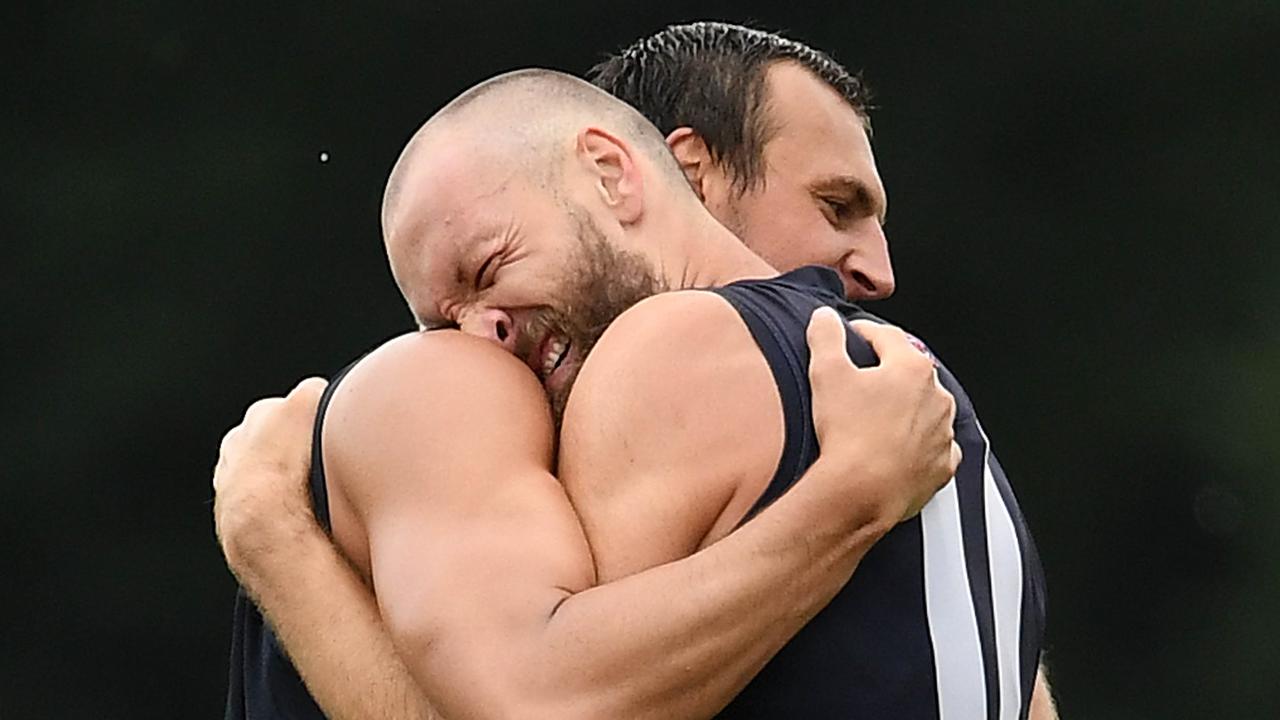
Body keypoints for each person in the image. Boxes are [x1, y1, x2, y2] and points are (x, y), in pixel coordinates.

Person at [219, 22, 1054, 717]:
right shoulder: (942, 425)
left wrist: (275, 538)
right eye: (440, 320)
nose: (479, 335)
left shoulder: (685, 345)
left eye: (486, 265)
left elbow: (544, 703)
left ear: (616, 172)